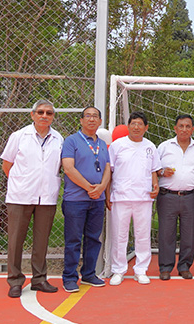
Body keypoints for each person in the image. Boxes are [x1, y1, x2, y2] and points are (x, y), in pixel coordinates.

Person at [1, 99, 63, 298]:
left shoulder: (58, 138)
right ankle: (15, 280)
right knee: (16, 240)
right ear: (33, 114)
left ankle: (39, 279)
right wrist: (21, 182)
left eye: (49, 113)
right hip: (20, 196)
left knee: (41, 240)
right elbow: (7, 165)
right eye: (41, 112)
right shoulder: (19, 136)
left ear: (53, 117)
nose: (44, 116)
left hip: (46, 197)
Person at [60, 106, 112, 292]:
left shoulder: (103, 144)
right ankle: (70, 277)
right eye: (88, 116)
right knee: (73, 239)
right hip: (76, 200)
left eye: (95, 116)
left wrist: (101, 188)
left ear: (99, 122)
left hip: (97, 200)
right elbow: (68, 168)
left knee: (93, 238)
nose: (91, 119)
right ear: (81, 120)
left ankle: (89, 274)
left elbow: (107, 168)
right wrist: (89, 188)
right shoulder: (71, 141)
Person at [107, 111, 160, 286]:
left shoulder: (151, 146)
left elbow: (154, 170)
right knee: (119, 235)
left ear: (146, 127)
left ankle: (141, 270)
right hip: (121, 197)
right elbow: (110, 171)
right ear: (128, 126)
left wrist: (155, 186)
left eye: (140, 124)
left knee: (143, 235)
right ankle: (118, 270)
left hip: (143, 198)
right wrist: (107, 194)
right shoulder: (117, 145)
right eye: (133, 123)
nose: (136, 127)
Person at [156, 114, 194, 280]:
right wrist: (162, 172)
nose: (184, 129)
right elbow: (152, 169)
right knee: (165, 233)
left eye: (188, 126)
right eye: (181, 126)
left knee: (189, 233)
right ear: (175, 128)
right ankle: (165, 267)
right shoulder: (163, 147)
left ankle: (185, 266)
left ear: (193, 129)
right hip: (167, 196)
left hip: (191, 196)